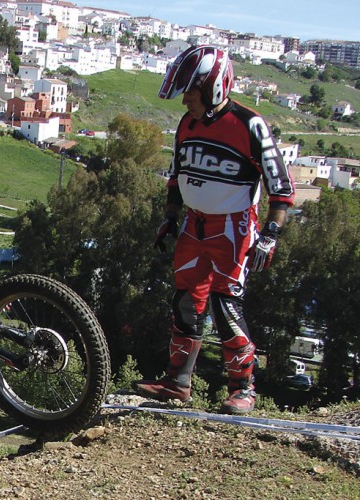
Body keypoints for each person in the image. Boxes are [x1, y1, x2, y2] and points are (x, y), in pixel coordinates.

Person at [135, 45, 295, 415]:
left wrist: (270, 234)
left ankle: (244, 387)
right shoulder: (187, 124)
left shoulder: (249, 124)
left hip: (234, 229)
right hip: (194, 224)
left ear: (213, 88)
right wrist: (170, 217)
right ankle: (177, 382)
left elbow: (282, 188)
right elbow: (176, 176)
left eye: (190, 93)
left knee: (226, 307)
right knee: (185, 302)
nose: (184, 102)